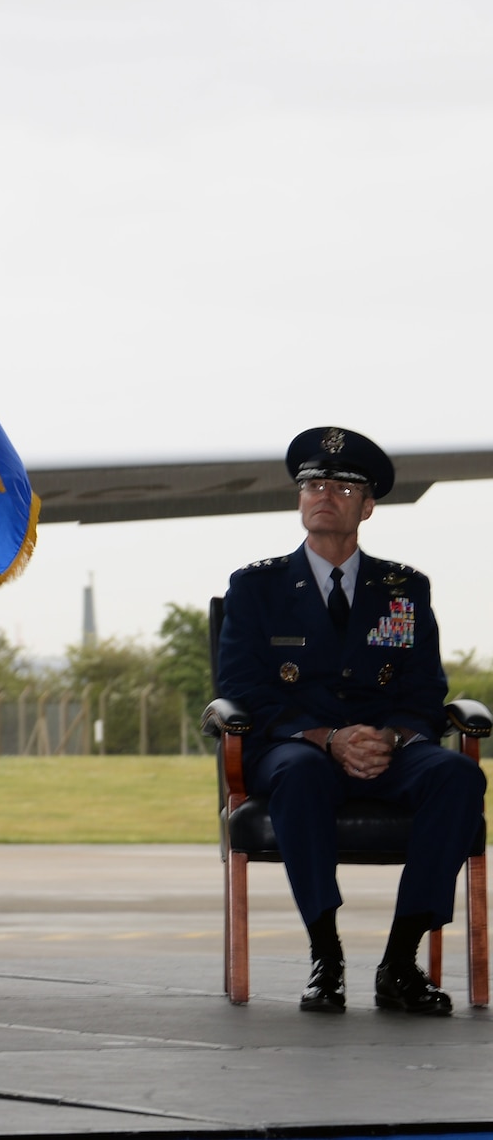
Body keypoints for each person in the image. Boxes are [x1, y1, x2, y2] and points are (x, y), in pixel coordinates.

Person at [217, 426, 485, 1016]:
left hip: (385, 748)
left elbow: (424, 688)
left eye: (342, 486)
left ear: (367, 506)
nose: (323, 493)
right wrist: (326, 737)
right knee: (301, 774)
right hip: (296, 746)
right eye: (313, 483)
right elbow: (240, 691)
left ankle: (399, 962)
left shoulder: (404, 588)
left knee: (459, 776)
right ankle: (326, 958)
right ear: (300, 498)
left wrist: (387, 737)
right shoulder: (255, 587)